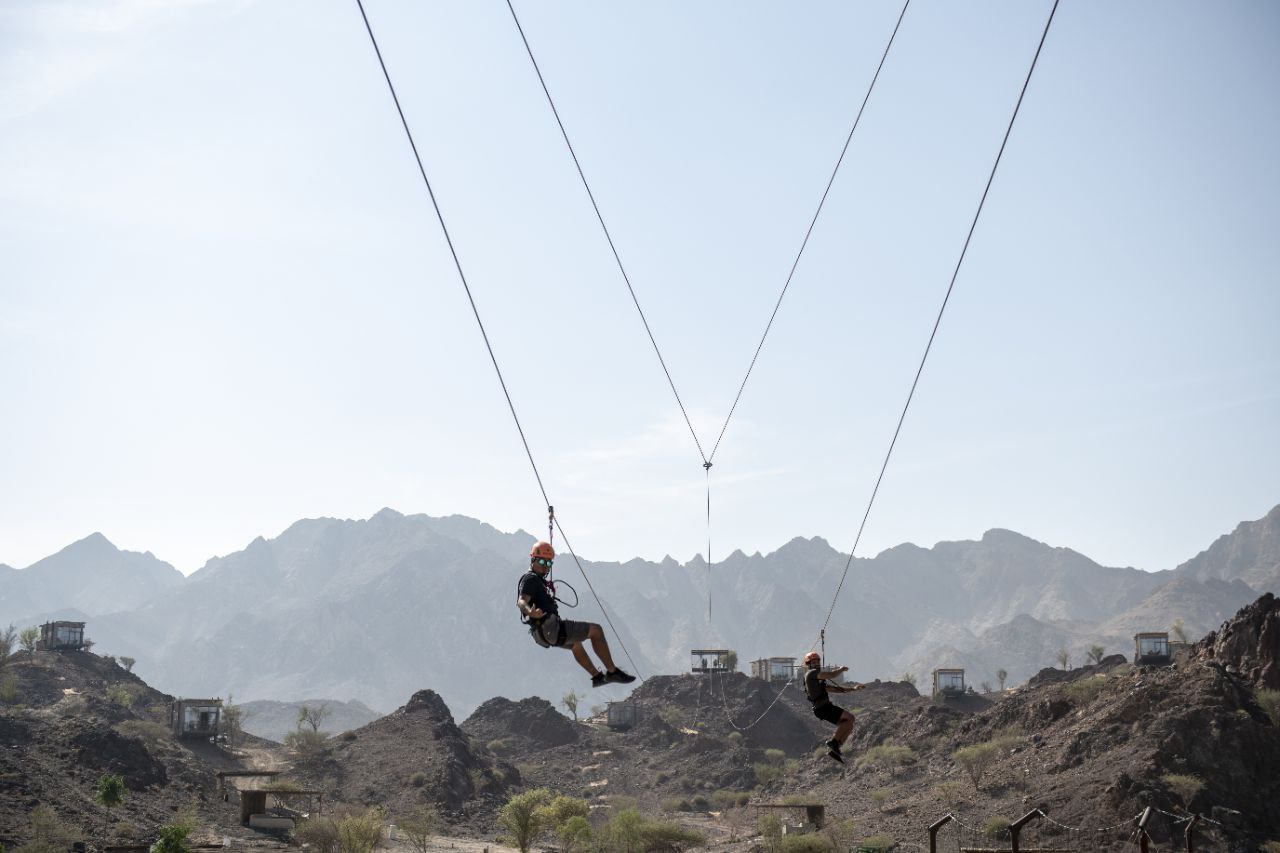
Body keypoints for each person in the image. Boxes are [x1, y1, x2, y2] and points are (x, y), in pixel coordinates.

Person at [517, 541, 636, 688]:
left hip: (542, 635)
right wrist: (530, 612)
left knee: (575, 644)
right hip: (550, 628)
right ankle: (612, 672)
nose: (545, 565)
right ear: (533, 560)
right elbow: (521, 601)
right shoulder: (531, 579)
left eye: (549, 563)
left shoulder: (539, 581)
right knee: (596, 631)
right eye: (542, 561)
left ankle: (597, 677)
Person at [802, 650, 864, 763]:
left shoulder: (818, 681)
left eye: (817, 662)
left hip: (823, 708)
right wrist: (841, 669)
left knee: (849, 722)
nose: (816, 664)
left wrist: (853, 689)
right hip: (822, 708)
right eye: (813, 662)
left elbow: (835, 689)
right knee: (850, 717)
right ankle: (833, 742)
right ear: (809, 665)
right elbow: (832, 675)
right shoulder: (811, 674)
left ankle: (835, 748)